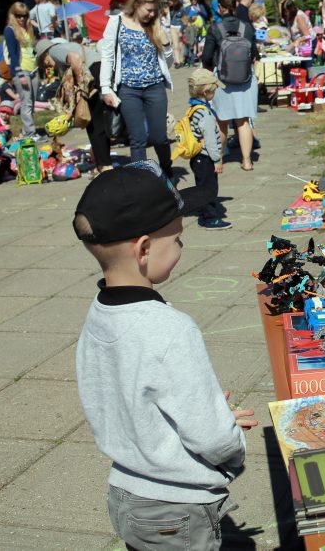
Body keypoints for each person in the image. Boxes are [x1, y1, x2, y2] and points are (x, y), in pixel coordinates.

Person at [72, 162, 257, 549]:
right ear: (143, 248)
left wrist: (207, 412)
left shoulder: (100, 314)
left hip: (127, 493)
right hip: (177, 507)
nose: (181, 248)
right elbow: (213, 439)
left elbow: (119, 400)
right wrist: (230, 436)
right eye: (177, 240)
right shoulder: (170, 328)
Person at [99, 0, 175, 172]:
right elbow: (107, 56)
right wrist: (105, 88)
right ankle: (140, 179)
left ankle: (166, 168)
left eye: (155, 10)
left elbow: (169, 63)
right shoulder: (116, 22)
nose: (152, 14)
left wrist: (166, 45)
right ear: (137, 4)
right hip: (128, 89)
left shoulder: (155, 25)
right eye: (148, 9)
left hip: (154, 87)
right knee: (137, 138)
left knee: (159, 137)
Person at [36, 37, 115, 175]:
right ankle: (104, 163)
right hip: (102, 72)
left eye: (45, 63)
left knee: (93, 125)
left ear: (45, 55)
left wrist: (82, 88)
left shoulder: (55, 50)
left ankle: (105, 166)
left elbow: (74, 58)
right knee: (99, 123)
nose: (48, 66)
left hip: (93, 75)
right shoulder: (69, 45)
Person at [202, 0, 259, 171]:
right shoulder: (247, 27)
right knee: (243, 121)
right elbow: (255, 54)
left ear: (219, 7)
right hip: (245, 78)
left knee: (222, 121)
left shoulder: (214, 29)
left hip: (223, 80)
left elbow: (206, 57)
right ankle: (247, 161)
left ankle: (218, 160)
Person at [186, 69, 231, 230]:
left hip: (197, 157)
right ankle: (210, 218)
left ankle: (205, 214)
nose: (215, 92)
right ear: (206, 92)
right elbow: (211, 141)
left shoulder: (193, 108)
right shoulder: (204, 114)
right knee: (209, 189)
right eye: (214, 90)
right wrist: (217, 159)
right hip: (206, 158)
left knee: (202, 187)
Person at [3, 2, 39, 139]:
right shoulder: (10, 30)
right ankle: (30, 133)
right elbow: (12, 54)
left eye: (24, 15)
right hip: (21, 70)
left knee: (32, 102)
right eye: (18, 16)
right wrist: (19, 74)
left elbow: (34, 46)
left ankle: (26, 131)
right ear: (13, 15)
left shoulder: (29, 28)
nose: (22, 19)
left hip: (33, 68)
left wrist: (37, 27)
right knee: (26, 102)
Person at [168, 0, 186, 68]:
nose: (169, 2)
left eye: (170, 1)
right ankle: (177, 61)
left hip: (180, 27)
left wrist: (181, 30)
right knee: (175, 45)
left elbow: (185, 20)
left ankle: (181, 60)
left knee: (181, 45)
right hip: (172, 27)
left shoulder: (181, 9)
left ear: (174, 1)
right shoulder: (169, 8)